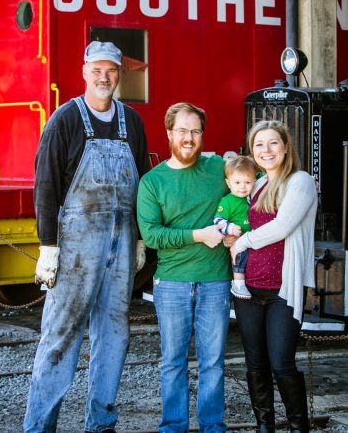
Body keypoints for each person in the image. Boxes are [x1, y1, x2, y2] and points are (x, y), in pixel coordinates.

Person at [24, 41, 150, 433]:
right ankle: (39, 427)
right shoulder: (64, 120)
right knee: (61, 336)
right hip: (76, 248)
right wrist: (48, 246)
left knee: (114, 333)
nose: (104, 77)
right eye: (96, 69)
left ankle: (102, 423)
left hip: (122, 244)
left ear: (119, 74)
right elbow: (45, 185)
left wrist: (142, 239)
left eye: (111, 70)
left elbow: (142, 182)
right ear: (84, 72)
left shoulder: (133, 120)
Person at [136, 102, 231, 433]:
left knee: (213, 364)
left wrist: (301, 182)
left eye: (195, 131)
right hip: (171, 284)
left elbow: (257, 182)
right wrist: (198, 235)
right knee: (173, 363)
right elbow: (151, 235)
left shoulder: (219, 168)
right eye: (182, 131)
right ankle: (173, 427)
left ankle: (212, 427)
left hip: (215, 281)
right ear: (169, 133)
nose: (189, 138)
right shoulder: (152, 182)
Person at [229, 120, 317, 433]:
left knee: (282, 364)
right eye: (259, 145)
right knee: (256, 364)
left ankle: (298, 427)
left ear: (285, 147)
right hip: (249, 288)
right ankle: (264, 426)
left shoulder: (301, 181)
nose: (266, 151)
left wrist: (243, 241)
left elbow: (282, 226)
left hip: (283, 289)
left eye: (272, 143)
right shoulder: (259, 184)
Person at [213, 155, 257, 299]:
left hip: (253, 238)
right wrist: (230, 228)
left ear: (255, 181)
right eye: (237, 182)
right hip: (237, 239)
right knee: (240, 254)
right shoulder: (227, 201)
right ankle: (238, 283)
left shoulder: (254, 197)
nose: (243, 187)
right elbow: (218, 220)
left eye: (247, 182)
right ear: (228, 183)